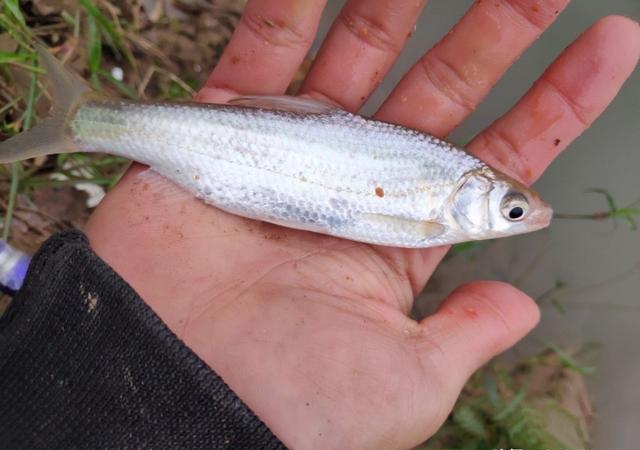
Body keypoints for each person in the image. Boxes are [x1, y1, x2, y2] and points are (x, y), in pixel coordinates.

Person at [1, 1, 638, 449]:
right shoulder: (429, 212)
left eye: (515, 212)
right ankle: (87, 119)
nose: (517, 222)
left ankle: (87, 119)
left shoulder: (436, 206)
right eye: (513, 212)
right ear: (470, 193)